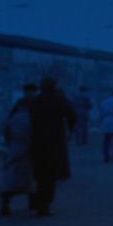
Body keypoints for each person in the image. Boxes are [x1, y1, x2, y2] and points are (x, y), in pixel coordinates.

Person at [27, 76, 76, 216]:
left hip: (37, 140)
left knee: (39, 172)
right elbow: (72, 115)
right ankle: (45, 204)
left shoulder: (35, 101)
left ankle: (37, 201)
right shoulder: (59, 99)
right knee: (51, 174)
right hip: (54, 141)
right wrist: (70, 130)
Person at [0, 82, 37, 215]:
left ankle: (6, 204)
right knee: (31, 178)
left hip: (15, 148)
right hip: (30, 148)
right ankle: (32, 203)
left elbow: (6, 132)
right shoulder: (34, 114)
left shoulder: (14, 116)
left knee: (11, 178)